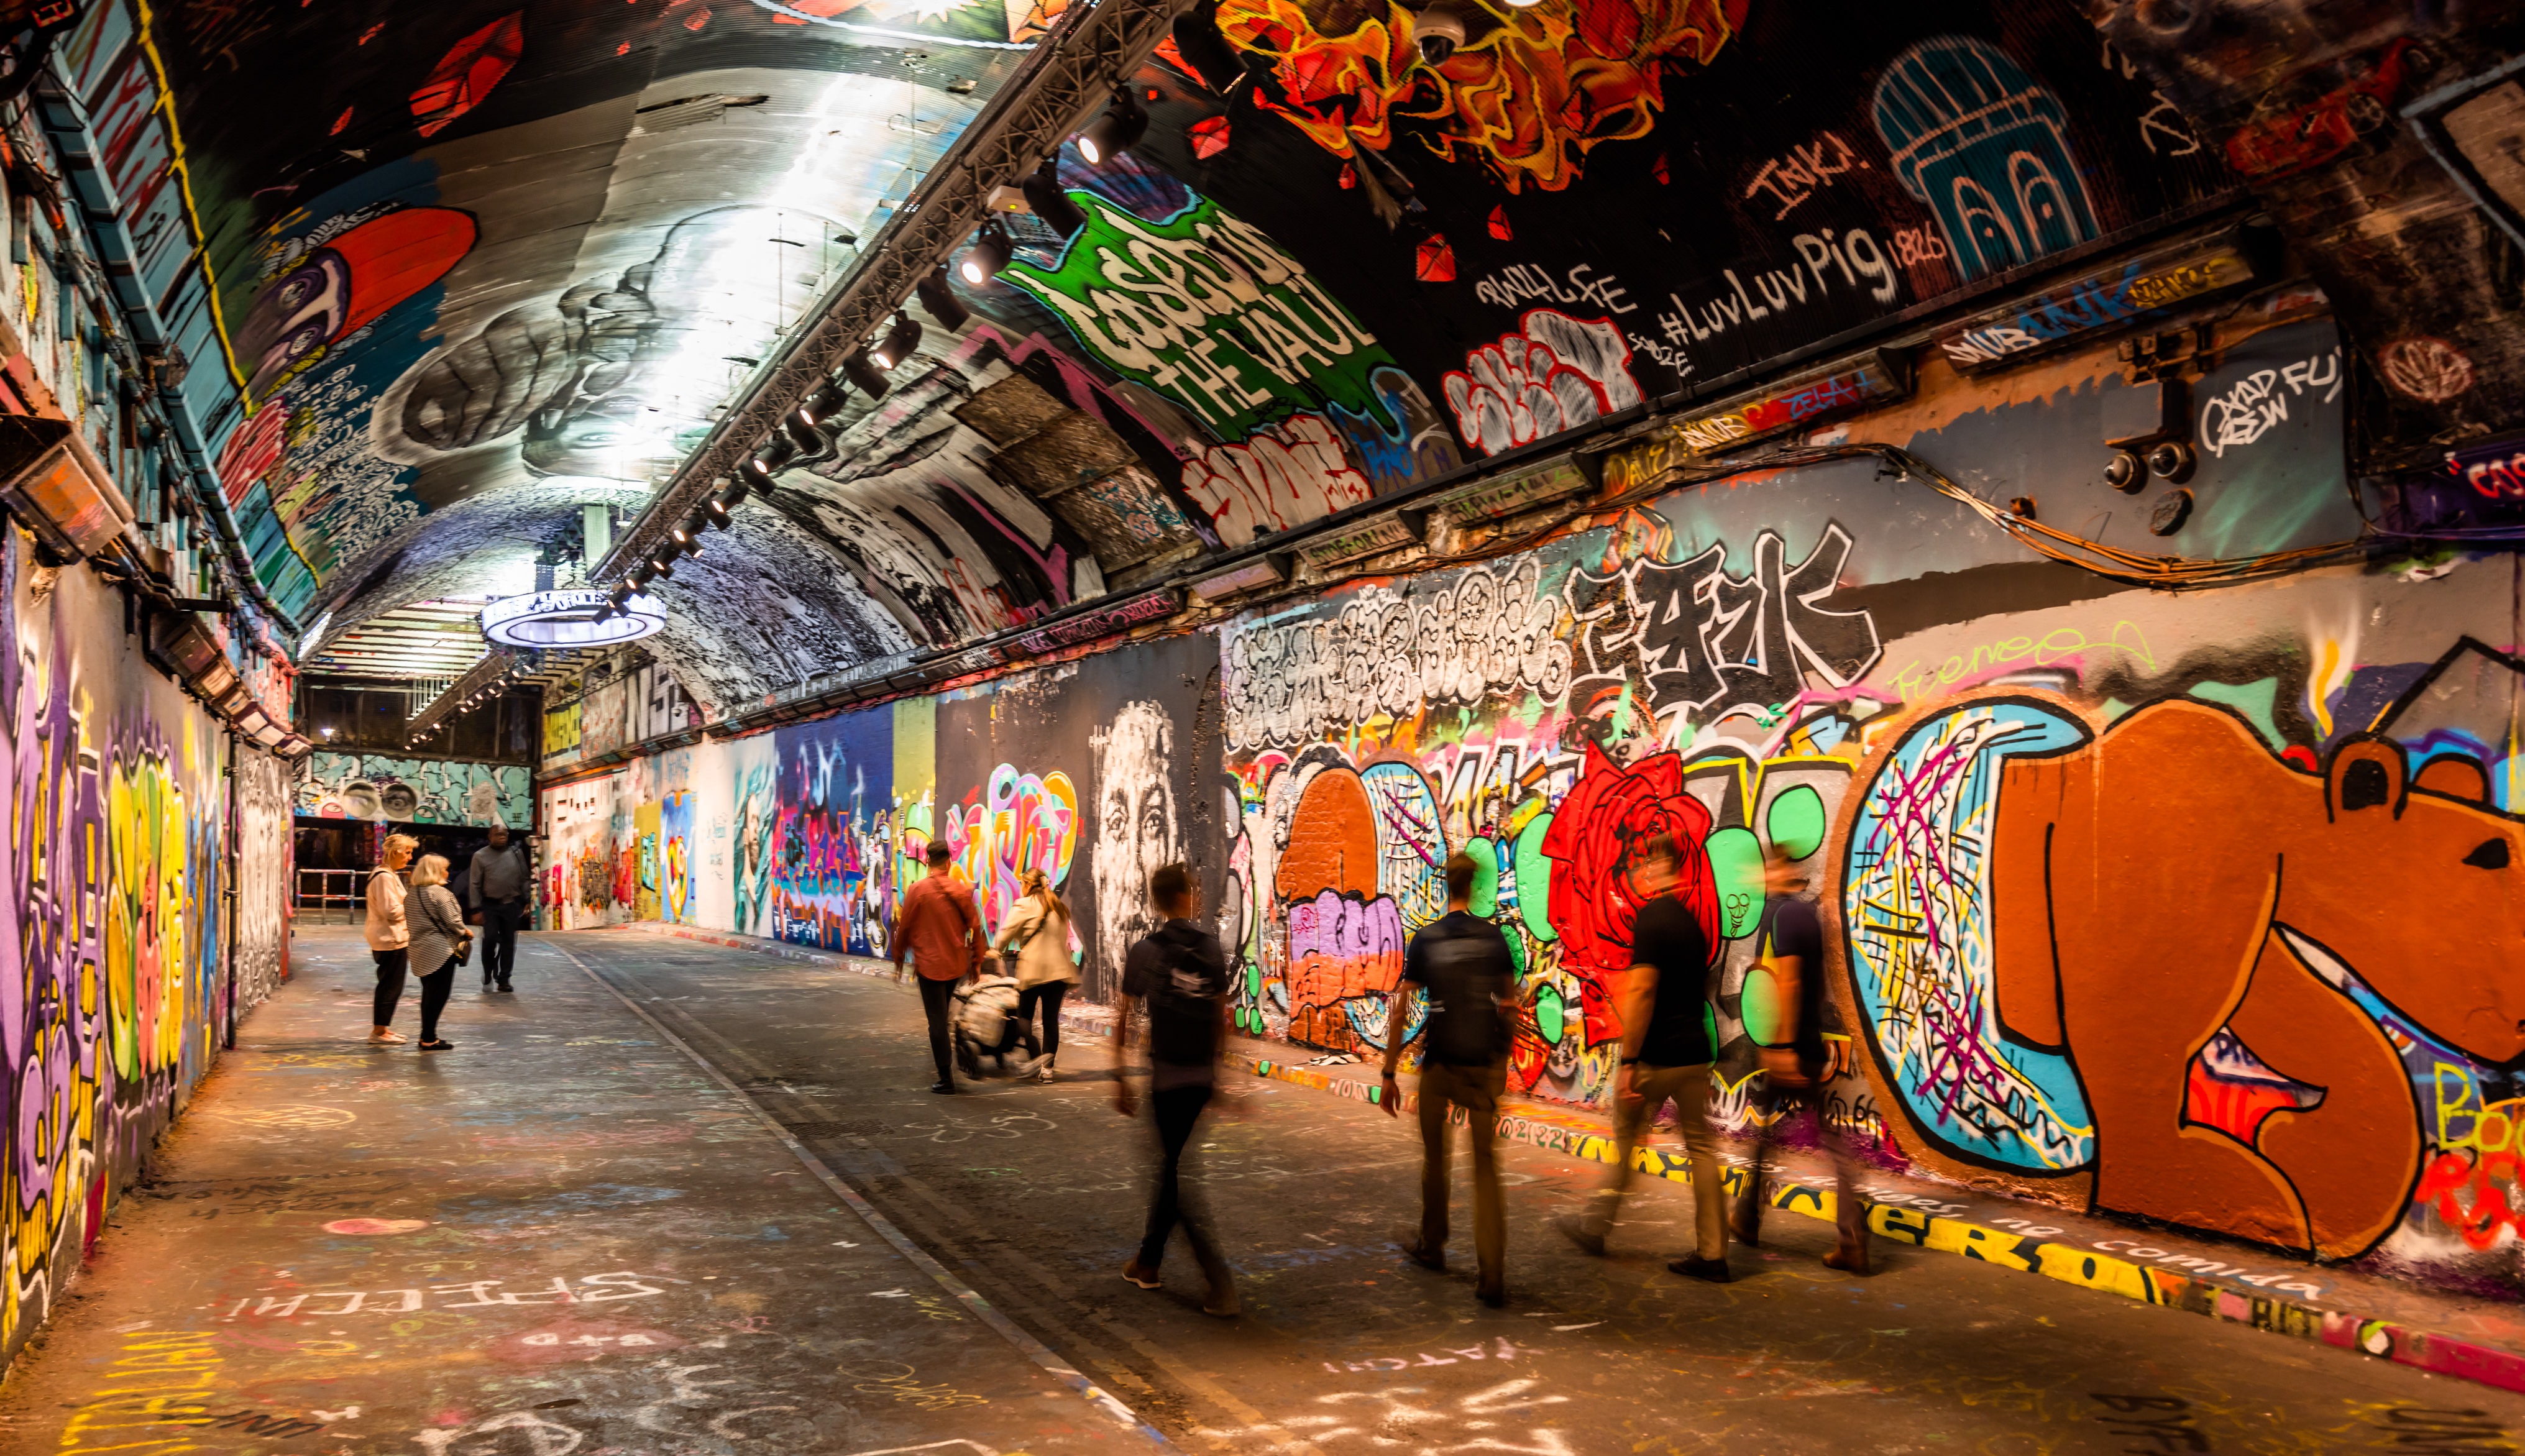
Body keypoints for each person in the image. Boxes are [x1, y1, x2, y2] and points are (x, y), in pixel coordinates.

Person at [1557, 833, 1731, 1280]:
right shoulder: (1693, 926)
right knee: (1701, 1150)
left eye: (1646, 862)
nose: (1642, 870)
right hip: (1694, 1053)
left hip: (1657, 1057)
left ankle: (1595, 1226)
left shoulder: (1652, 918)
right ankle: (1714, 1253)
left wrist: (1630, 1062)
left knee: (1626, 1141)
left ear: (1657, 865)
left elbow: (1643, 991)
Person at [1382, 852, 1517, 1307]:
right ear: (1473, 886)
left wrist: (1389, 1071)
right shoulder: (1494, 938)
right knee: (1486, 1168)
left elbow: (1401, 1010)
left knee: (1436, 1160)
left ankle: (1433, 1244)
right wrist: (1501, 1062)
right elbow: (1509, 1005)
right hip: (1482, 1067)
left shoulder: (1426, 939)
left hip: (1440, 1067)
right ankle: (1492, 1273)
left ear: (1445, 885)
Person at [1733, 844, 1872, 1274]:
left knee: (1817, 1139)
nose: (1761, 878)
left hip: (1796, 1045)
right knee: (1771, 1133)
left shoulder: (1785, 916)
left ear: (1780, 870)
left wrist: (1781, 1047)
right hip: (1807, 1040)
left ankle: (1851, 1236)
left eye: (1765, 870)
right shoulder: (1805, 915)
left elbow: (1790, 982)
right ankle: (1749, 1217)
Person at [1113, 864, 1236, 1317]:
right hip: (1200, 1078)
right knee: (1170, 1169)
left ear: (1156, 900)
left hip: (1166, 1080)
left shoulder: (1146, 951)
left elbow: (1124, 1018)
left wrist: (1121, 1077)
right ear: (1186, 897)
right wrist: (1220, 1075)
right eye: (1193, 890)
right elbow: (1221, 1016)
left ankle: (1217, 1280)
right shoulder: (1210, 948)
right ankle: (1147, 1261)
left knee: (1173, 1178)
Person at [892, 840, 981, 1094]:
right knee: (943, 1016)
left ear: (928, 861)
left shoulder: (917, 890)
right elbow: (975, 926)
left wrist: (899, 958)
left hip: (930, 966)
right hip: (955, 965)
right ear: (949, 862)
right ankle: (957, 1055)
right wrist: (976, 962)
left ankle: (945, 1077)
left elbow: (905, 928)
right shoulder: (960, 890)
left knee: (937, 1021)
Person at [991, 867, 1077, 1082]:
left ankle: (1036, 1057)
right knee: (1050, 1021)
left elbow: (1004, 936)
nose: (1021, 887)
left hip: (1034, 972)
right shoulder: (1058, 907)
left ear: (1028, 885)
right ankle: (1047, 1070)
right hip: (1058, 974)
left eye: (1022, 883)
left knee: (1023, 1018)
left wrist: (997, 951)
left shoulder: (1024, 905)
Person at [403, 854, 470, 1052]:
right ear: (435, 872)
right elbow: (453, 921)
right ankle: (428, 1038)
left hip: (419, 950)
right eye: (444, 869)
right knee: (438, 996)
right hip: (441, 950)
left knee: (428, 994)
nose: (447, 873)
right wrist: (465, 932)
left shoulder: (411, 895)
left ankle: (427, 1035)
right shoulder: (440, 893)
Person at [364, 835, 418, 1044]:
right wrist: (413, 905)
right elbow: (391, 911)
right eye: (407, 852)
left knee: (391, 985)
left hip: (393, 937)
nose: (410, 857)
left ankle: (383, 1028)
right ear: (395, 852)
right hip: (389, 939)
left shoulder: (389, 875)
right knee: (390, 986)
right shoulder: (384, 877)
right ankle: (379, 1032)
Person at [469, 825, 531, 993]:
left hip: (511, 905)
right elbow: (474, 884)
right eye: (497, 834)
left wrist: (527, 900)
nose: (502, 837)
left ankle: (504, 979)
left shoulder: (516, 854)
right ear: (490, 837)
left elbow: (525, 878)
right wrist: (475, 909)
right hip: (490, 905)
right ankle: (488, 970)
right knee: (489, 939)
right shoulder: (480, 856)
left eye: (504, 834)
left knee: (508, 943)